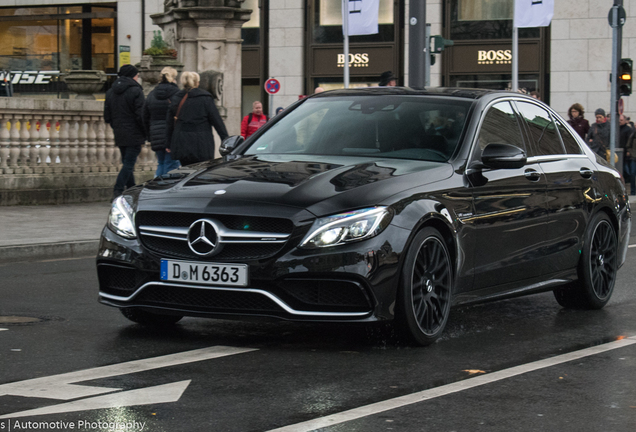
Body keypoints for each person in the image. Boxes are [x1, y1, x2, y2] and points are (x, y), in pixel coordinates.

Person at [165, 71, 229, 166]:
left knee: (186, 171)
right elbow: (217, 122)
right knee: (202, 172)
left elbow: (170, 123)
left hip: (182, 142)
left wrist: (168, 143)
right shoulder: (205, 98)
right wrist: (226, 140)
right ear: (197, 83)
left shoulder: (176, 98)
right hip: (202, 143)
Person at [104, 64, 146, 201]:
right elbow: (141, 114)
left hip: (119, 132)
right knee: (129, 163)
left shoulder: (111, 92)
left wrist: (116, 125)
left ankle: (133, 190)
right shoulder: (136, 91)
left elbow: (107, 116)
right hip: (134, 132)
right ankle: (118, 189)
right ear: (133, 76)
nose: (138, 77)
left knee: (127, 162)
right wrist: (145, 130)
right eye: (137, 75)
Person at [142, 67, 180, 176]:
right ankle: (165, 189)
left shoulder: (152, 94)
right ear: (173, 78)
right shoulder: (176, 93)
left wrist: (149, 135)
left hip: (156, 134)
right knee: (172, 164)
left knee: (161, 163)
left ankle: (156, 186)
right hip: (172, 134)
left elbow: (144, 115)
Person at [624, 129, 636, 195]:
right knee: (632, 174)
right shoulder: (633, 135)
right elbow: (628, 146)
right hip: (633, 158)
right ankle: (633, 191)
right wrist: (631, 153)